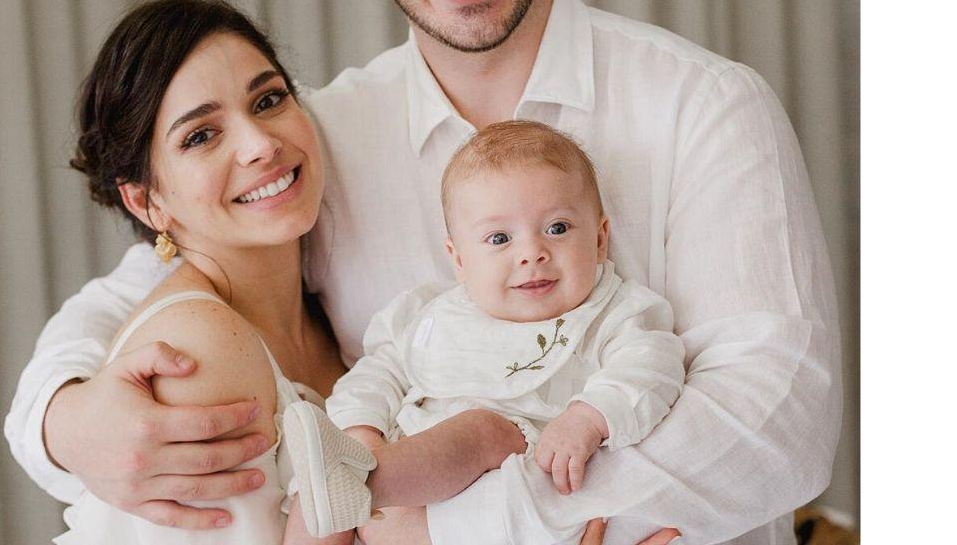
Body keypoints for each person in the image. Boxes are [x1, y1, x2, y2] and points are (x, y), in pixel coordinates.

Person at [6, 0, 841, 543]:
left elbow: (779, 425)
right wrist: (60, 418)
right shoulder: (321, 142)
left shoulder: (704, 107)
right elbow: (171, 275)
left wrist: (464, 532)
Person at [45, 0, 529, 544]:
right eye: (200, 135)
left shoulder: (323, 306)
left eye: (269, 100)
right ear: (146, 202)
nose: (260, 144)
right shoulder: (197, 352)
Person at [281, 121, 686, 544]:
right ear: (458, 259)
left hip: (488, 497)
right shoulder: (429, 315)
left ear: (601, 239)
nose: (532, 253)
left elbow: (651, 369)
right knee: (311, 500)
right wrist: (360, 431)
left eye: (558, 228)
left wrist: (588, 417)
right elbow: (376, 374)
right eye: (499, 238)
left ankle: (361, 484)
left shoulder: (614, 313)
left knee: (484, 431)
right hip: (398, 481)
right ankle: (349, 479)